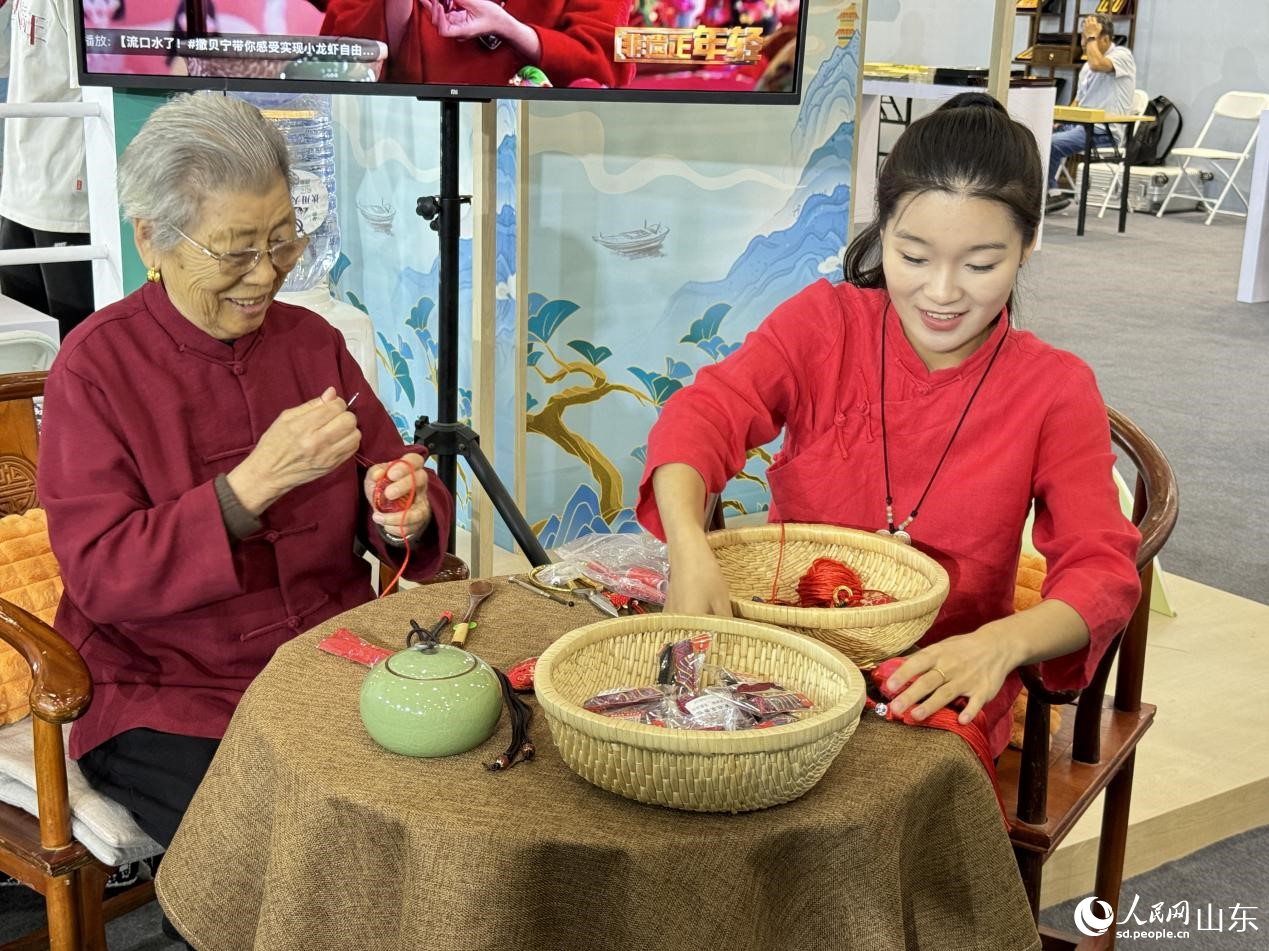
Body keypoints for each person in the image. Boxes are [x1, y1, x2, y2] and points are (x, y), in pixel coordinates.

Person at [637, 93, 1141, 760]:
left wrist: (1001, 643)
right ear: (883, 233)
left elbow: (1101, 569)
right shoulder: (823, 324)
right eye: (912, 255)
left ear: (1025, 247)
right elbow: (702, 415)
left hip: (938, 680)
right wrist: (686, 541)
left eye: (980, 264)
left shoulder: (1053, 387)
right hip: (784, 657)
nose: (940, 291)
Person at [37, 94, 454, 859]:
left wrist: (402, 513)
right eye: (235, 251)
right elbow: (100, 574)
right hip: (169, 692)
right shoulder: (94, 369)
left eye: (282, 241)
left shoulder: (312, 342)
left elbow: (391, 483)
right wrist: (250, 486)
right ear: (151, 240)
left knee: (452, 791)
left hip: (332, 657)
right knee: (275, 847)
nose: (265, 276)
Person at [0, 0, 95, 339]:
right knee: (29, 349)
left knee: (75, 344)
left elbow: (96, 73)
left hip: (64, 195)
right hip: (17, 191)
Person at [321, 0, 635, 88]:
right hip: (408, 150)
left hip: (536, 161)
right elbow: (334, 62)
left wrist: (509, 28)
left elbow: (607, 65)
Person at [1046, 12, 1137, 214]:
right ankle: (1046, 191)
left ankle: (1049, 194)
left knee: (1050, 144)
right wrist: (1060, 119)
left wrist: (1092, 37)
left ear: (1104, 39)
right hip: (1080, 125)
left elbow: (1098, 65)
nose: (1083, 43)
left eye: (1088, 38)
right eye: (1083, 37)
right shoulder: (1087, 66)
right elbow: (1079, 100)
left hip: (1102, 132)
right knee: (1036, 136)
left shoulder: (1122, 56)